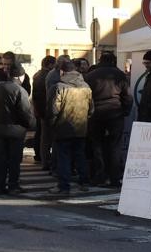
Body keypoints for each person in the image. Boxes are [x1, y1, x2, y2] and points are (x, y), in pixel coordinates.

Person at [84, 52, 133, 187]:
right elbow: (127, 96)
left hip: (96, 113)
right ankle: (114, 178)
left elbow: (86, 97)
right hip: (115, 113)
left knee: (97, 145)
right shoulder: (119, 75)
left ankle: (99, 176)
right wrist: (125, 111)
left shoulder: (90, 76)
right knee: (115, 146)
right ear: (113, 61)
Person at [48, 60, 94, 194]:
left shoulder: (60, 87)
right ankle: (84, 182)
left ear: (62, 71)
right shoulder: (86, 86)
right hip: (81, 127)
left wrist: (52, 124)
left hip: (63, 128)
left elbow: (54, 110)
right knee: (80, 156)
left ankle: (64, 186)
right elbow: (91, 109)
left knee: (64, 157)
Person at [0, 65, 35, 195]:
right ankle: (13, 185)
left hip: (0, 127)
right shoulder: (21, 91)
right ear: (19, 76)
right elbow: (25, 112)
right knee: (15, 159)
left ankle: (0, 185)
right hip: (16, 130)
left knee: (1, 158)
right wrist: (32, 125)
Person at [31, 55, 57, 165]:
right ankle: (46, 159)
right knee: (47, 136)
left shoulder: (37, 75)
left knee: (41, 134)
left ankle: (41, 156)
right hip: (46, 108)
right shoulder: (48, 76)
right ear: (49, 64)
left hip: (39, 108)